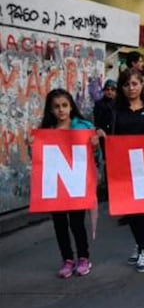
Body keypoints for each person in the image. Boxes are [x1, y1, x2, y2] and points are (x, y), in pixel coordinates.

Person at [97, 69, 144, 272]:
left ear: (142, 85)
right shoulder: (114, 109)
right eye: (127, 85)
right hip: (123, 166)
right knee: (130, 209)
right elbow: (104, 130)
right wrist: (100, 134)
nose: (131, 88)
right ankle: (139, 244)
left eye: (135, 84)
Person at [36, 89, 100, 278]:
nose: (61, 110)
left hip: (76, 183)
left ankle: (83, 257)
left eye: (64, 105)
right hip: (55, 185)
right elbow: (39, 159)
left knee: (77, 223)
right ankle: (67, 259)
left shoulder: (83, 127)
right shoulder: (46, 131)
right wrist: (33, 145)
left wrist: (95, 147)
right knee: (59, 224)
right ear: (50, 110)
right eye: (56, 107)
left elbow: (93, 157)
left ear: (71, 106)